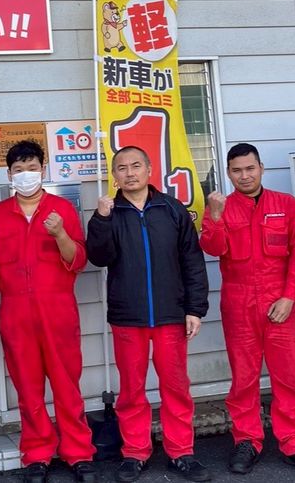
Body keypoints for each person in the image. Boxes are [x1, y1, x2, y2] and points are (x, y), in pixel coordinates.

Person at [86, 146, 212, 483]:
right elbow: (98, 257)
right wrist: (101, 219)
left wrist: (195, 308)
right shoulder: (110, 212)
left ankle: (181, 451)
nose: (129, 173)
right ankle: (135, 452)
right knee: (131, 390)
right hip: (128, 316)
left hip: (171, 314)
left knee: (176, 387)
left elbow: (192, 261)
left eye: (136, 166)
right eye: (122, 168)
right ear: (115, 175)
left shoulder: (172, 209)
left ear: (149, 169)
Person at [199, 143, 295, 477]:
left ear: (261, 168)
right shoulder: (221, 207)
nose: (244, 176)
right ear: (229, 173)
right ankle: (247, 440)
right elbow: (212, 247)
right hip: (239, 304)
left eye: (250, 168)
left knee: (289, 377)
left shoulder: (285, 204)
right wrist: (214, 216)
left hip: (279, 303)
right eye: (237, 170)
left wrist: (288, 297)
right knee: (243, 379)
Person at [0, 141, 97, 483]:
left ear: (43, 170)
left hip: (57, 310)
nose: (25, 175)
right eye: (18, 170)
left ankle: (78, 452)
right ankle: (37, 453)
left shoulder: (61, 209)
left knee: (67, 385)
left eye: (31, 168)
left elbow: (77, 259)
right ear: (9, 175)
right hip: (15, 313)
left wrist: (59, 232)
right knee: (28, 388)